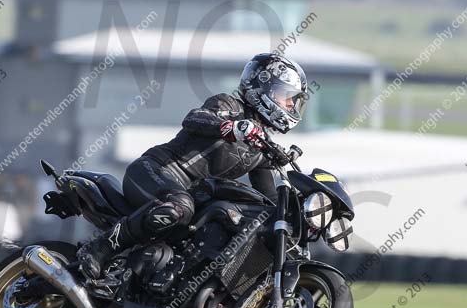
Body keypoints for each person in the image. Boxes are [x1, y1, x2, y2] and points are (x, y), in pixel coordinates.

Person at [78, 53, 309, 279]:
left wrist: (297, 218)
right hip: (155, 170)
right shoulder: (228, 104)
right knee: (179, 207)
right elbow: (194, 119)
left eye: (293, 100)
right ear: (263, 87)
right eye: (286, 95)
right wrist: (232, 128)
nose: (290, 104)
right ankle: (99, 248)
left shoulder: (261, 148)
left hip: (188, 195)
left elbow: (269, 199)